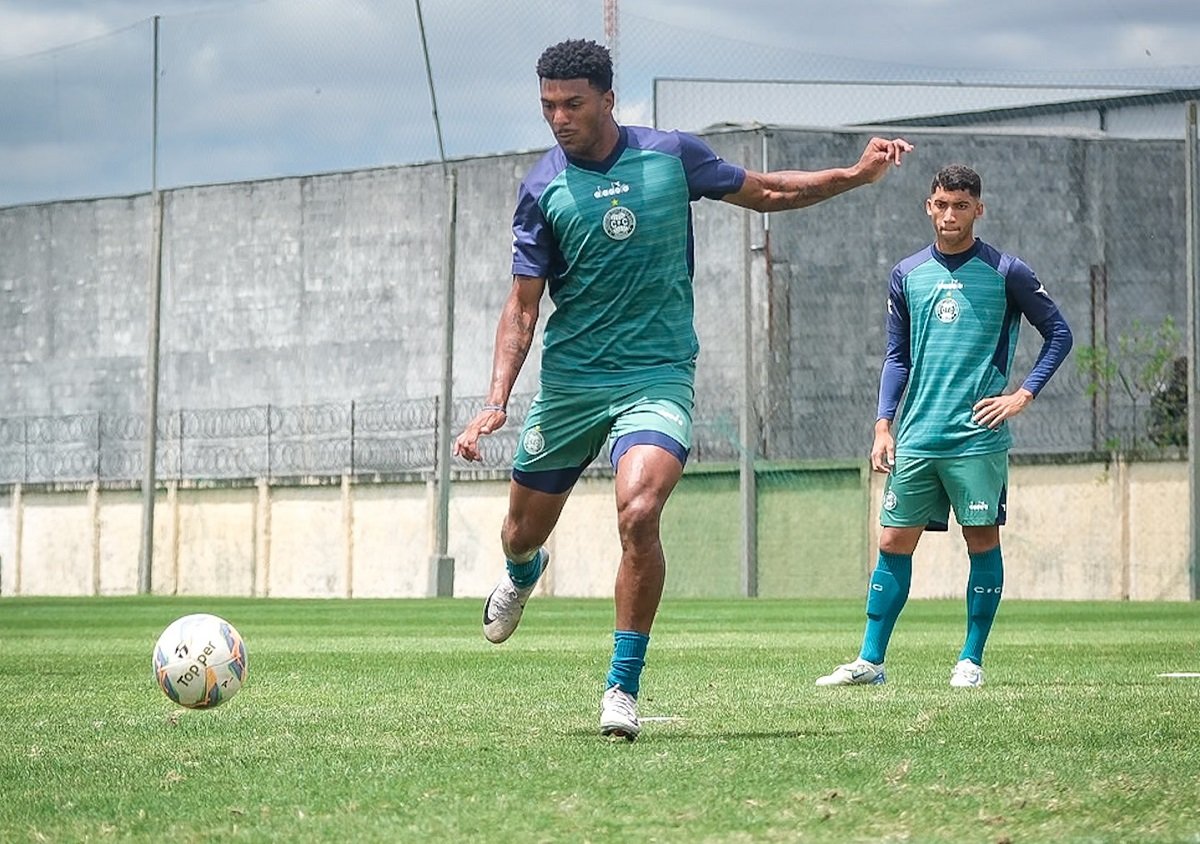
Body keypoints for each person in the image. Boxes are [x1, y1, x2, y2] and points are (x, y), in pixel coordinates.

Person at [453, 37, 912, 740]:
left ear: (609, 99)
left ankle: (620, 688)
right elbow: (521, 308)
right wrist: (494, 403)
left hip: (657, 375)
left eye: (572, 103)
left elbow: (767, 191)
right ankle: (521, 572)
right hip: (573, 382)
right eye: (547, 105)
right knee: (520, 530)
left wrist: (854, 175)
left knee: (638, 513)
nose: (558, 117)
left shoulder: (670, 156)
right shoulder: (542, 187)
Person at [816, 163, 1073, 689]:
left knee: (980, 541)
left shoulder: (1008, 272)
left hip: (976, 438)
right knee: (892, 542)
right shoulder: (907, 274)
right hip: (916, 436)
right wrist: (883, 425)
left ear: (979, 209)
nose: (949, 215)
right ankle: (871, 661)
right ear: (928, 207)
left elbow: (1059, 334)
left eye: (961, 205)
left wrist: (1023, 395)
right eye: (941, 204)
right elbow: (896, 357)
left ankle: (971, 661)